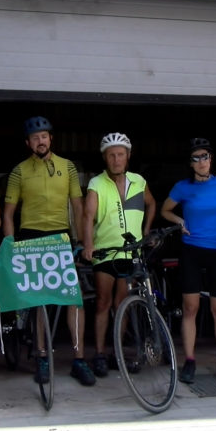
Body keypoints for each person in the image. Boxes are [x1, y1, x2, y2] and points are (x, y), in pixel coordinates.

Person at [2, 116, 94, 386]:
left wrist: (80, 241)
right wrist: (10, 245)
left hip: (60, 237)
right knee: (38, 300)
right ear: (27, 143)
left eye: (44, 136)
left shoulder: (68, 168)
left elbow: (77, 207)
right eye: (34, 138)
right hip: (31, 237)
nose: (40, 141)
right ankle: (42, 356)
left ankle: (79, 359)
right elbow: (8, 213)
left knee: (73, 299)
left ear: (50, 138)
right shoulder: (19, 171)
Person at [160, 138, 216, 385]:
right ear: (190, 163)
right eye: (196, 158)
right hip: (191, 251)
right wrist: (179, 222)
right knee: (190, 308)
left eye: (205, 156)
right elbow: (165, 210)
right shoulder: (183, 187)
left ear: (211, 159)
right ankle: (189, 361)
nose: (201, 161)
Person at [81, 132, 157, 377]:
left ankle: (116, 351)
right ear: (105, 158)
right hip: (105, 253)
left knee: (122, 303)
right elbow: (87, 216)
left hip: (130, 253)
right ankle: (100, 353)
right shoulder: (96, 184)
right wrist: (88, 245)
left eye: (120, 155)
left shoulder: (138, 182)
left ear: (128, 156)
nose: (116, 159)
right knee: (103, 302)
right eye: (111, 155)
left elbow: (151, 204)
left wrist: (145, 233)